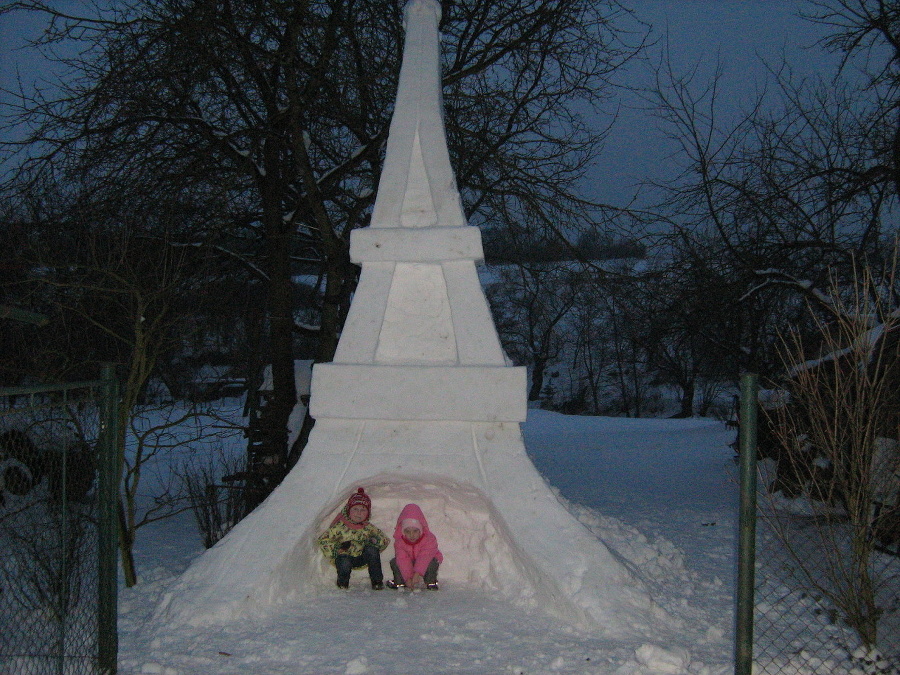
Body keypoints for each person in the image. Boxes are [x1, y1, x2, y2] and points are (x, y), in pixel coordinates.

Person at [317, 487, 390, 589]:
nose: (358, 513)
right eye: (355, 509)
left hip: (361, 558)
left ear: (368, 513)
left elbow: (385, 540)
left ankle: (377, 581)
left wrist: (373, 541)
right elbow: (323, 539)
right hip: (344, 558)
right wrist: (337, 548)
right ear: (348, 510)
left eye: (363, 510)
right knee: (344, 561)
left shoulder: (368, 527)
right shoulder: (340, 526)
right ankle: (343, 583)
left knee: (372, 550)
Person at [386, 503, 443, 590]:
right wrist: (408, 578)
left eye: (415, 531)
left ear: (420, 529)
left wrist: (417, 573)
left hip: (426, 561)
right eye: (407, 531)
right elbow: (402, 559)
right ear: (403, 531)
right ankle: (400, 583)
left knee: (432, 562)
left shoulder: (429, 539)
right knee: (395, 562)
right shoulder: (400, 542)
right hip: (410, 562)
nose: (411, 535)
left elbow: (424, 557)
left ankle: (430, 582)